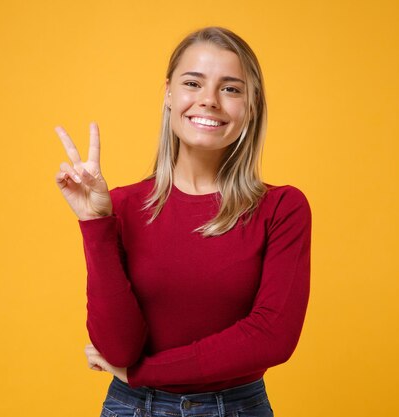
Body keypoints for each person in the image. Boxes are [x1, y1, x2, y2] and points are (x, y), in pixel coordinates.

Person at [55, 27, 311, 417]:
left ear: (252, 105)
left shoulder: (281, 208)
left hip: (236, 408)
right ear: (169, 94)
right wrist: (95, 223)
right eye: (193, 83)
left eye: (231, 89)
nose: (209, 101)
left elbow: (272, 337)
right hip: (132, 408)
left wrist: (144, 372)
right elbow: (119, 349)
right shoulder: (119, 206)